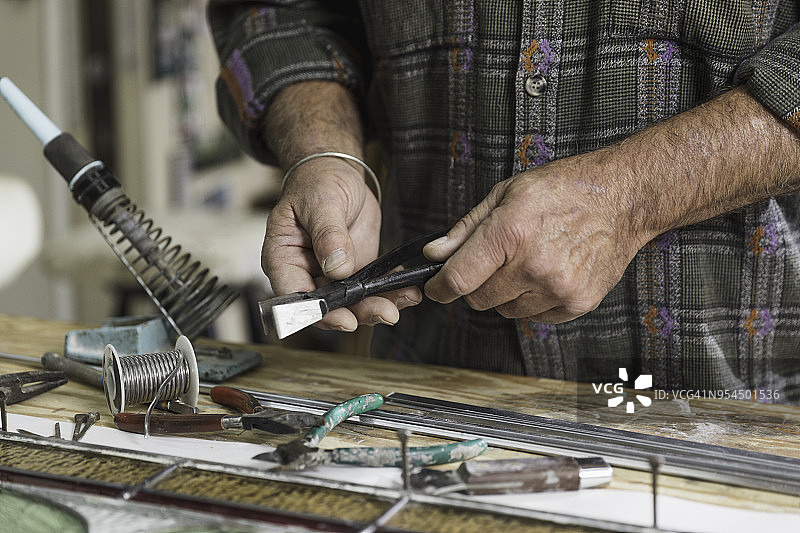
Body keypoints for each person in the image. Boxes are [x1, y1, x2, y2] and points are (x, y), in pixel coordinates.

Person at [207, 1, 800, 402]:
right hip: (432, 390)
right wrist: (324, 153)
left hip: (731, 403)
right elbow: (277, 12)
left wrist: (630, 198)